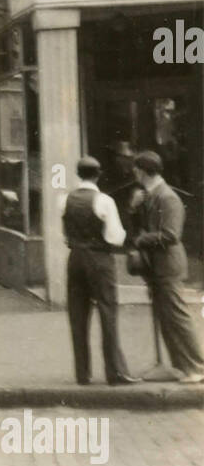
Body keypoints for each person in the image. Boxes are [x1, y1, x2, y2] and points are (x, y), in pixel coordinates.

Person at [61, 156, 135, 386]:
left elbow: (65, 234)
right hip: (99, 259)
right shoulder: (104, 201)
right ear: (99, 174)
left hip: (75, 258)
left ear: (77, 173)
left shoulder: (64, 200)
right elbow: (116, 237)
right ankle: (114, 372)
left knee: (77, 314)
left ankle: (82, 373)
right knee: (107, 311)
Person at [131, 150, 204, 383]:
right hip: (157, 267)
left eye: (136, 169)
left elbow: (171, 235)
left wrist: (142, 240)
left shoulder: (168, 197)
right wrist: (134, 209)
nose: (133, 173)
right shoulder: (149, 195)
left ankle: (197, 366)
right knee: (165, 317)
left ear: (143, 171)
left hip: (169, 266)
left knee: (177, 316)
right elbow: (144, 225)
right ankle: (177, 365)